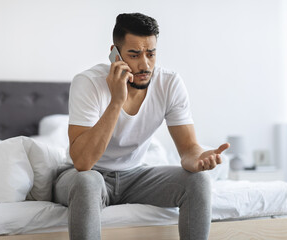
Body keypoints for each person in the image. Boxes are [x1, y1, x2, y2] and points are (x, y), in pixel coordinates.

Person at [53, 12, 229, 240]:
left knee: (198, 181)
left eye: (151, 54)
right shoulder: (88, 83)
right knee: (89, 181)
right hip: (83, 177)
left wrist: (198, 158)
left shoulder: (169, 83)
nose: (145, 64)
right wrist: (117, 100)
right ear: (114, 54)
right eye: (134, 55)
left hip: (135, 176)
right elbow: (83, 162)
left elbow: (187, 150)